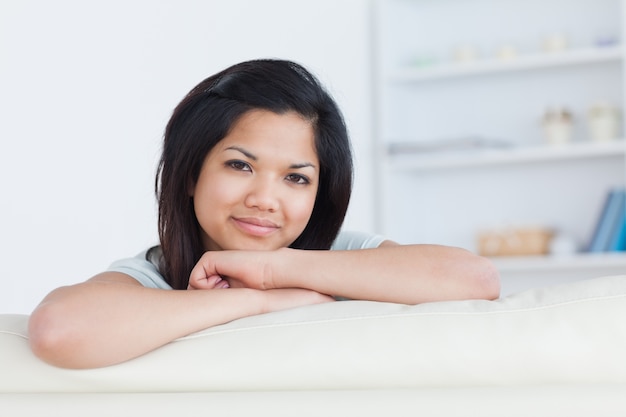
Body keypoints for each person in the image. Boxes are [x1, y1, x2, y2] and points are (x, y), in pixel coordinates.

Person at [28, 59, 500, 369]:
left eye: (296, 178)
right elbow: (58, 329)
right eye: (240, 165)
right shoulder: (152, 276)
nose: (265, 199)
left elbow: (475, 280)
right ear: (191, 173)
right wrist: (259, 301)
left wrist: (271, 269)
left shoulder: (342, 258)